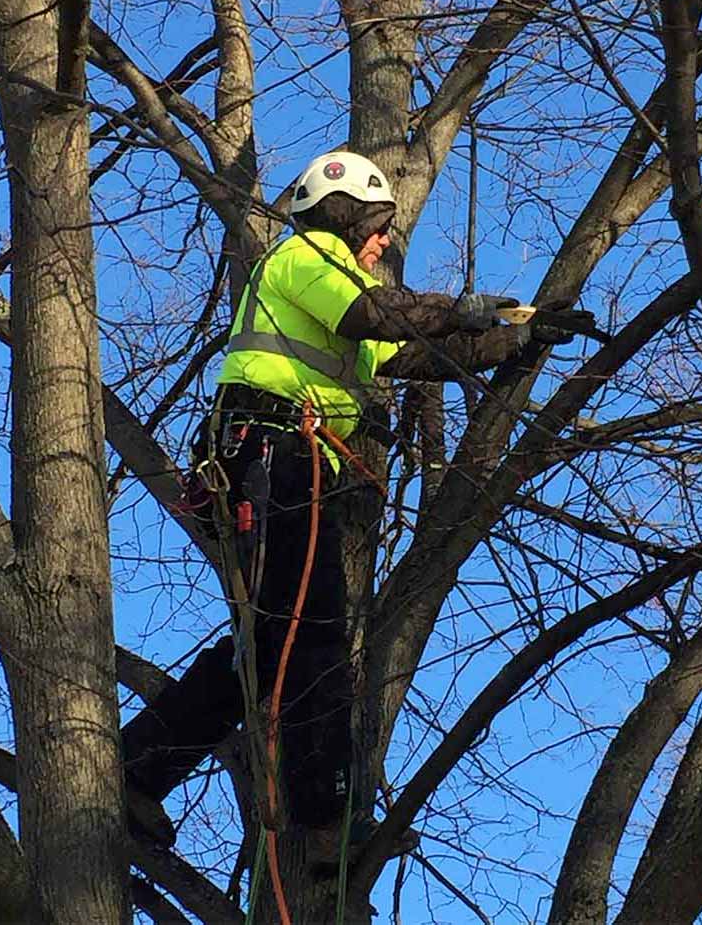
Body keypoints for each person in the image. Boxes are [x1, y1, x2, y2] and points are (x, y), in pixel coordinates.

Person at [207, 150, 598, 865]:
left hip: (285, 461)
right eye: (378, 226)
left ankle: (148, 770)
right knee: (314, 637)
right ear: (344, 215)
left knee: (274, 644)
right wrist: (469, 304)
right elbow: (377, 314)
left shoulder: (336, 291)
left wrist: (520, 335)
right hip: (273, 451)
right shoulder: (304, 261)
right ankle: (323, 815)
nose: (383, 241)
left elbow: (411, 354)